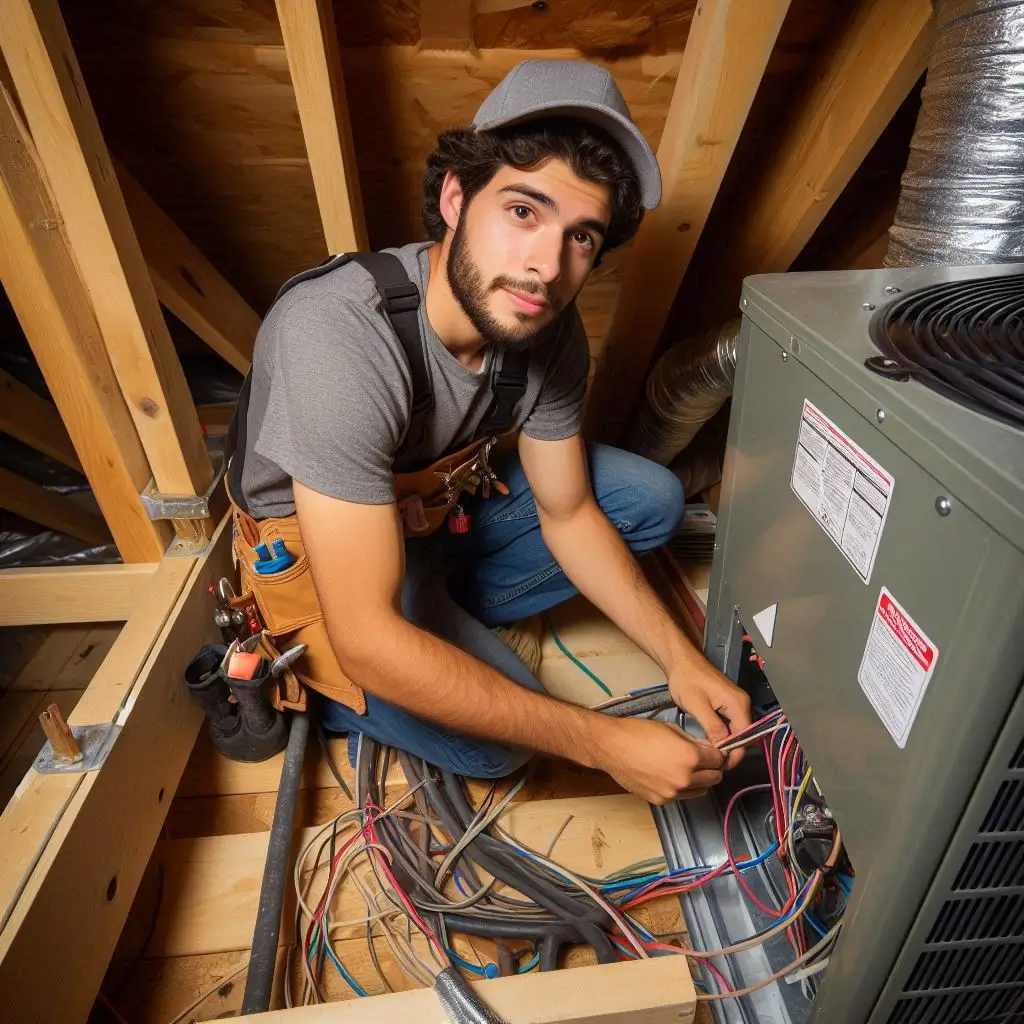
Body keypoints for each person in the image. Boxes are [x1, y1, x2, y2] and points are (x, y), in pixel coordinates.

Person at [227, 59, 751, 805]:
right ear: (454, 198)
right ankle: (352, 688)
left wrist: (680, 660)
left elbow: (567, 511)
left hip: (429, 528)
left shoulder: (549, 330)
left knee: (650, 496)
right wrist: (603, 743)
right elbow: (366, 633)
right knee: (496, 748)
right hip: (332, 580)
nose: (546, 266)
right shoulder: (338, 334)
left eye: (582, 238)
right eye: (523, 212)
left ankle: (444, 618)